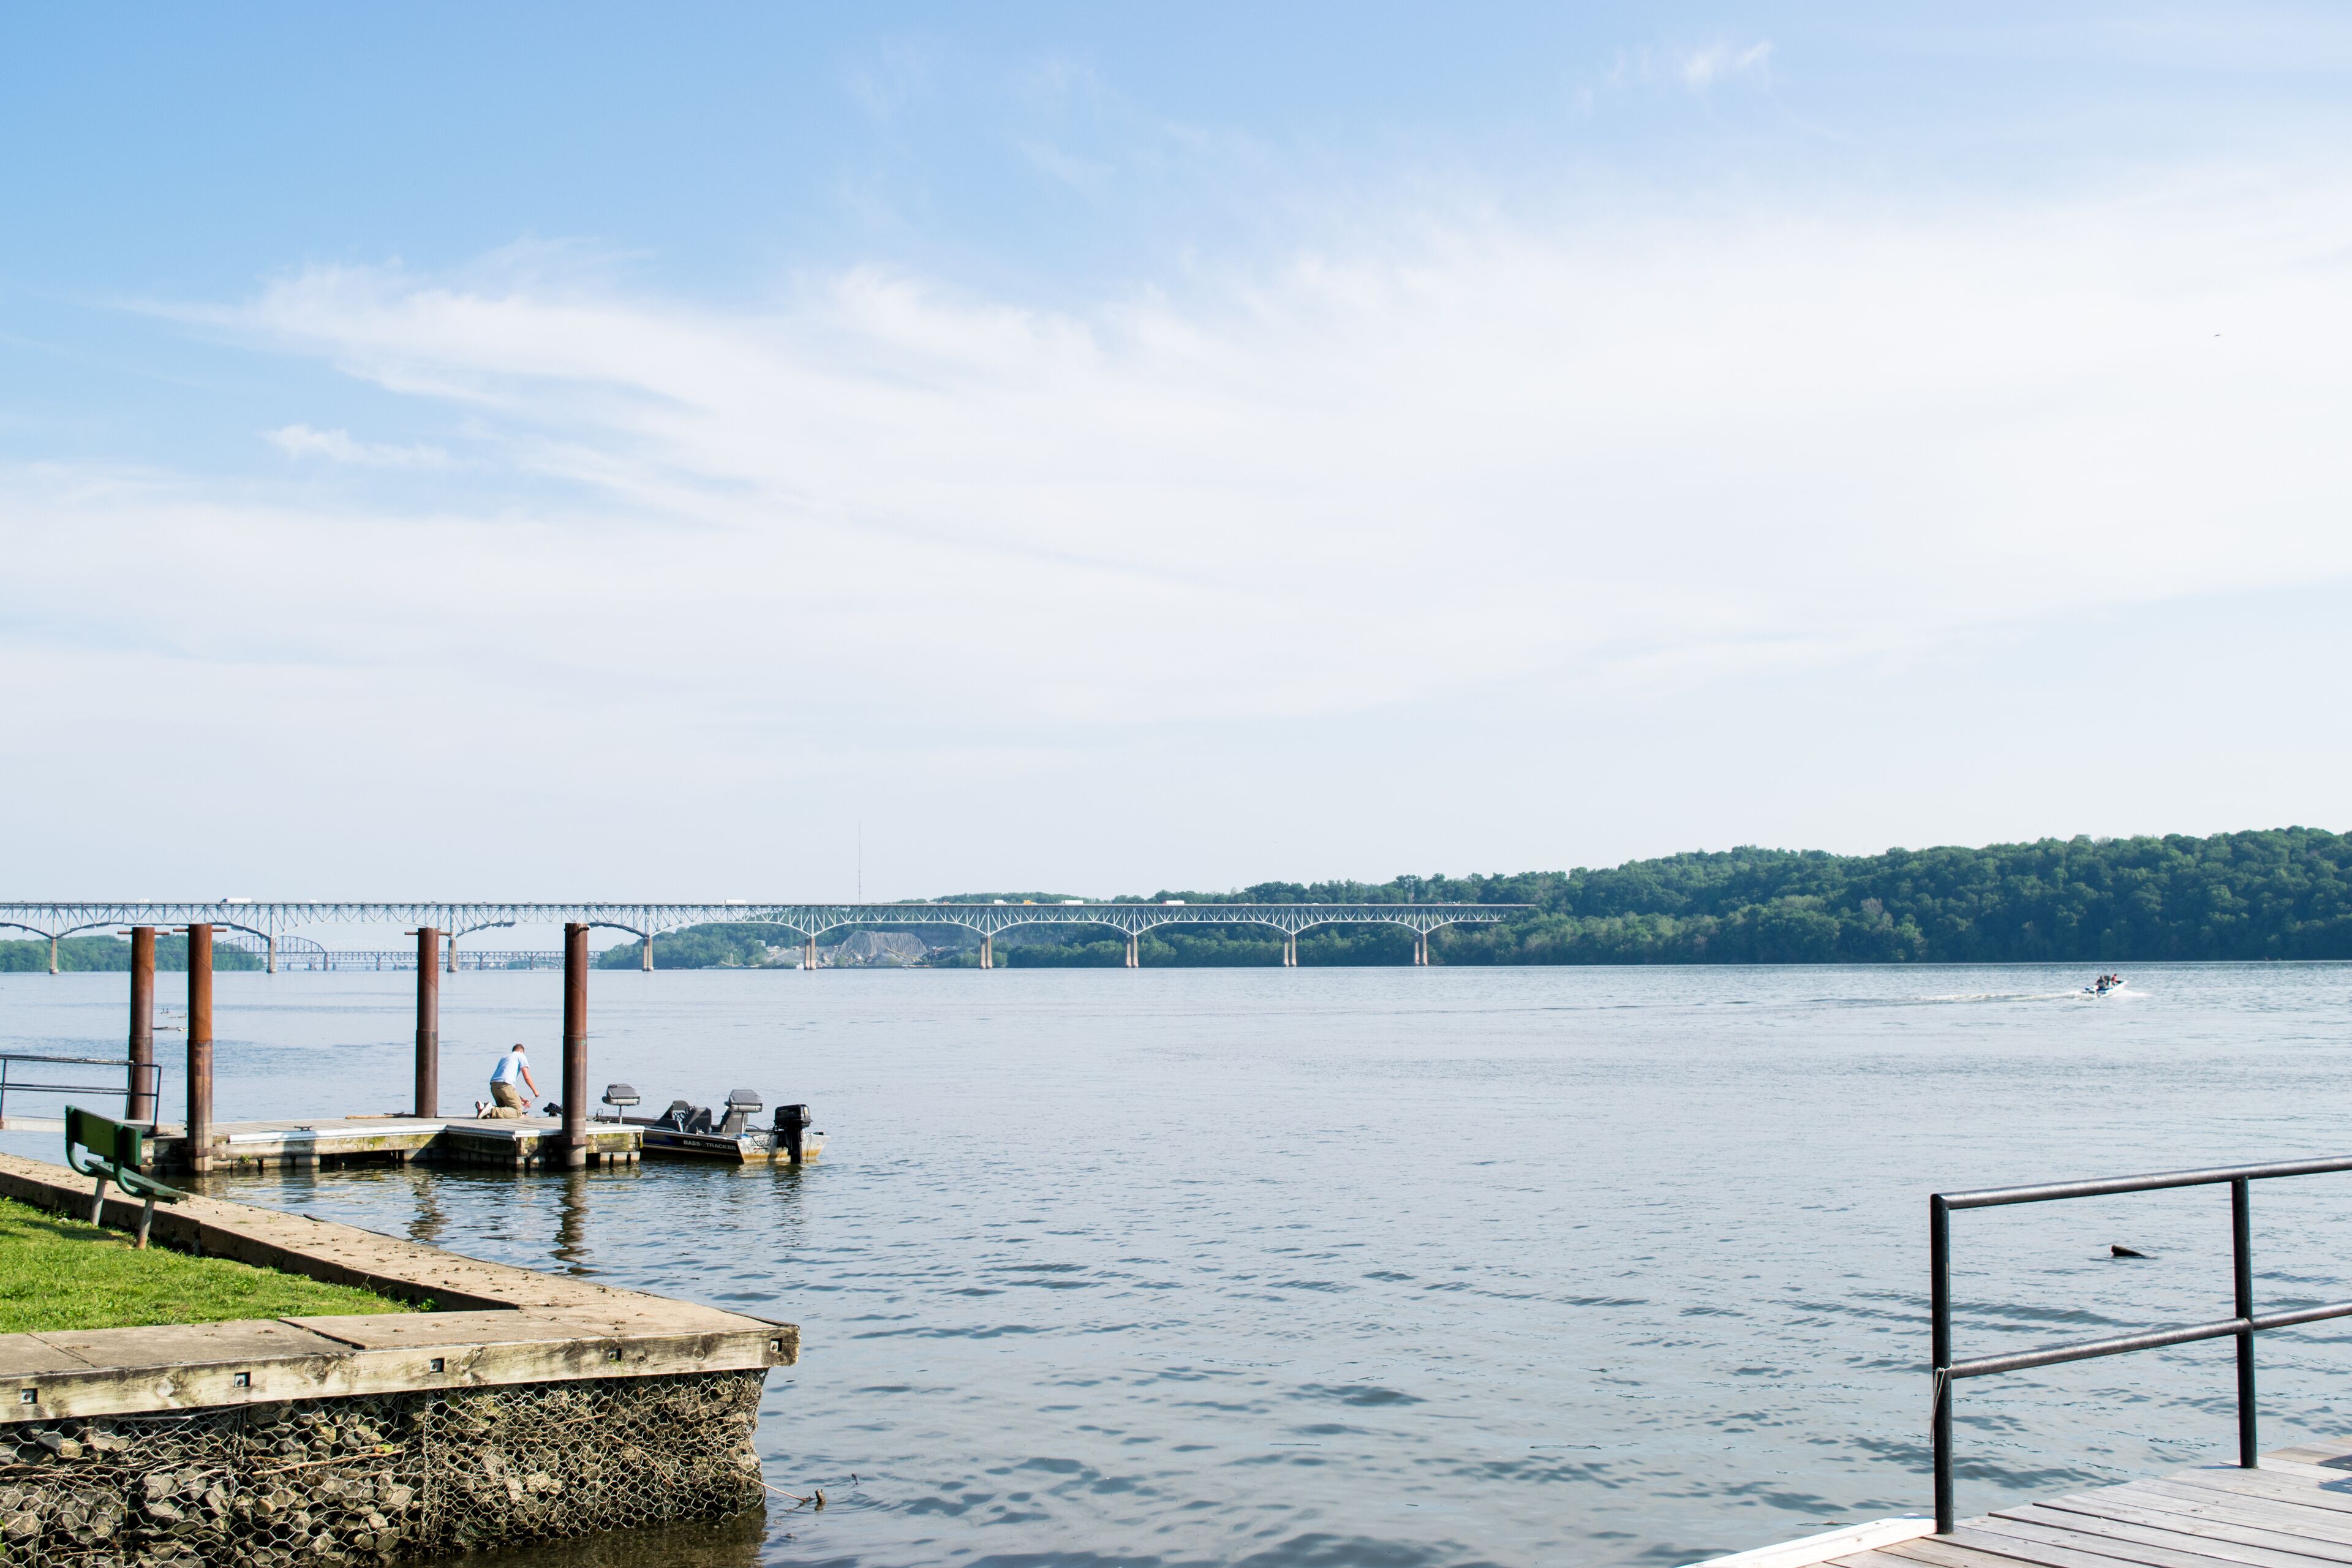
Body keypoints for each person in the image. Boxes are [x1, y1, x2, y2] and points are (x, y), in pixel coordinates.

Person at [478, 1044, 540, 1119]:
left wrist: (520, 1098)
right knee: (518, 1112)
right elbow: (527, 1077)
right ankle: (491, 1109)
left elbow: (503, 1080)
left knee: (504, 1110)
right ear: (521, 1051)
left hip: (494, 1086)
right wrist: (535, 1091)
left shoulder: (504, 1058)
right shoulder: (521, 1056)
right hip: (505, 1085)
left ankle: (483, 1108)